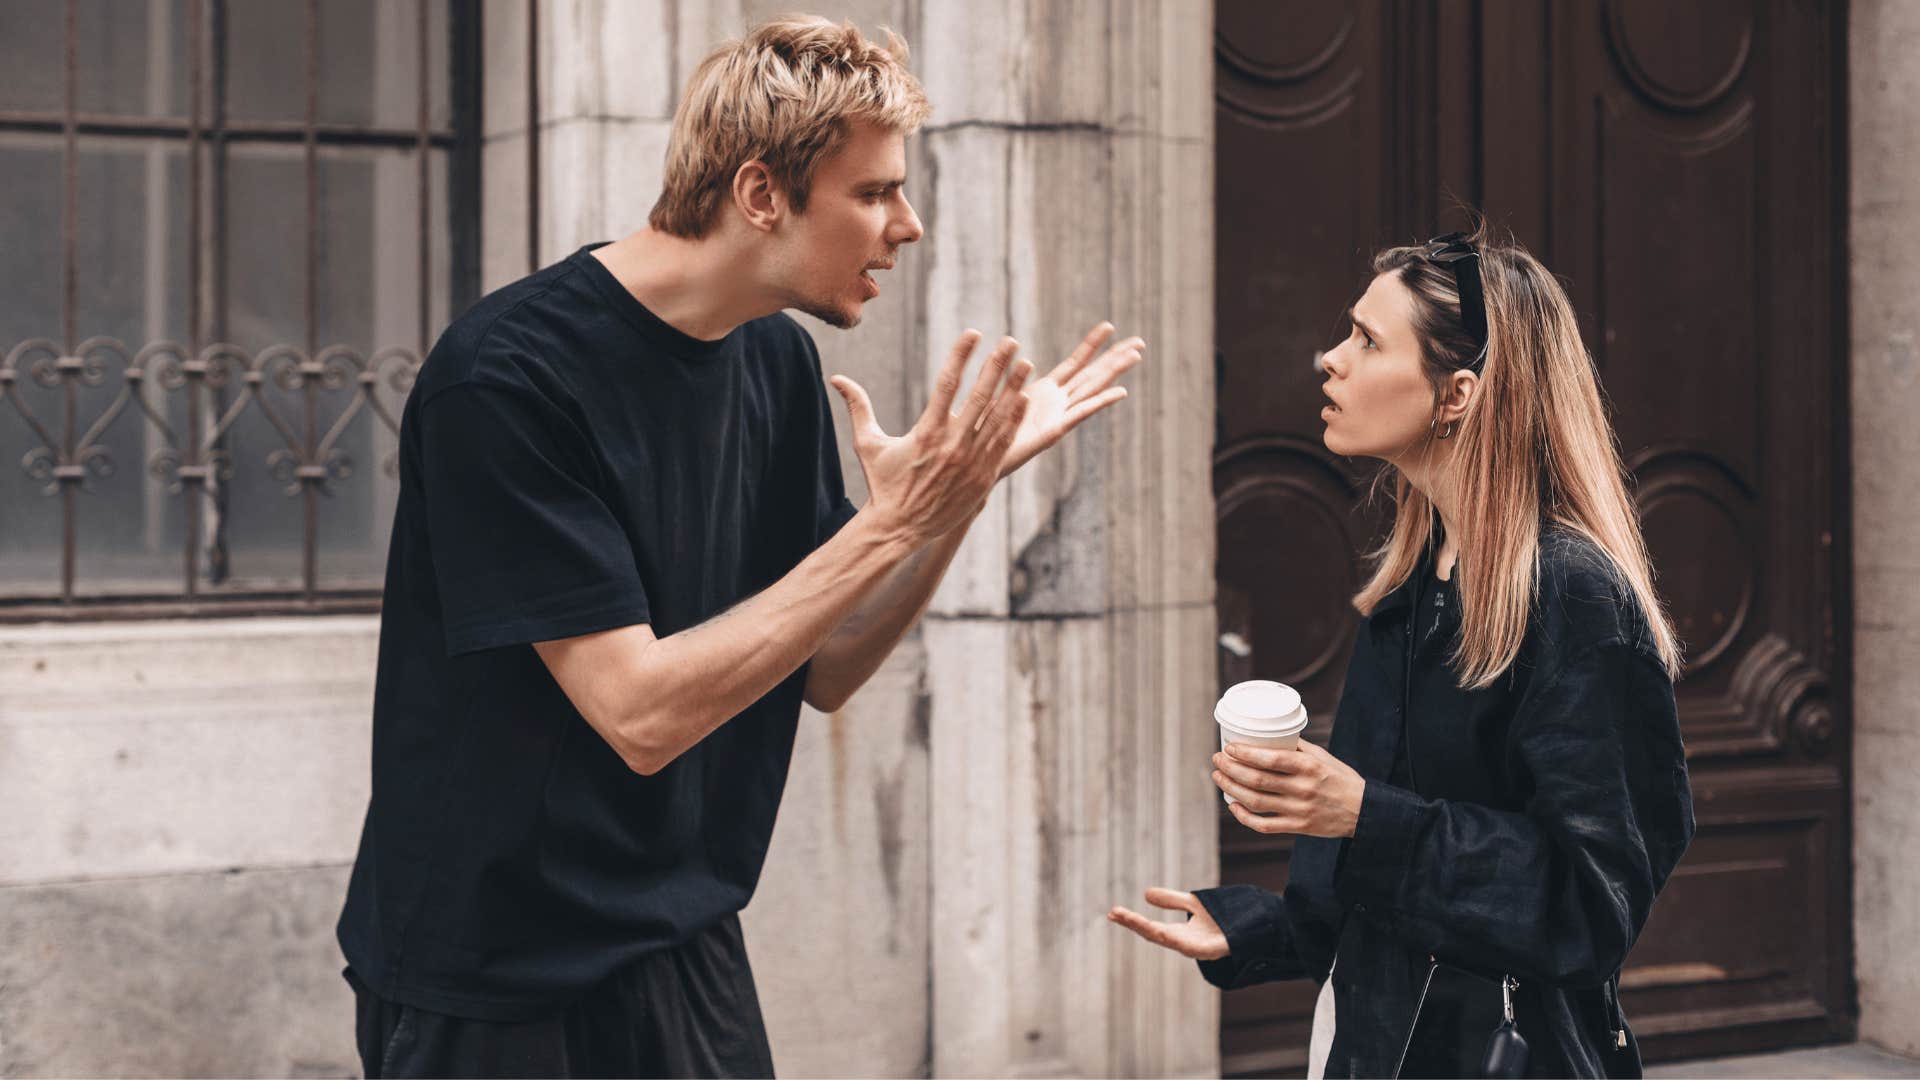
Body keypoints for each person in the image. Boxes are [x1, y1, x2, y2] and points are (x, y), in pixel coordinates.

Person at [335, 15, 1143, 1078]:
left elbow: (826, 664)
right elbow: (641, 713)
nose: (908, 226)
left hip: (682, 940)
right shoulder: (506, 379)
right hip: (493, 974)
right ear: (761, 194)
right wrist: (894, 521)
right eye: (873, 193)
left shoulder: (773, 365)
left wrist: (957, 495)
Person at [1109, 224, 1694, 1077]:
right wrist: (1259, 928)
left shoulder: (1572, 594)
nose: (1330, 358)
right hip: (1369, 1044)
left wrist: (1362, 814)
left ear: (1457, 395)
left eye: (1367, 340)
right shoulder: (1412, 588)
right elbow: (1383, 884)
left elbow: (1590, 908)